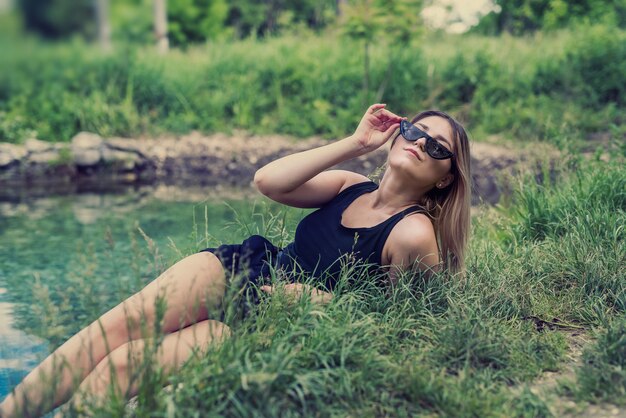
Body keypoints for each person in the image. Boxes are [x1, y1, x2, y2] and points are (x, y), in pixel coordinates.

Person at [0, 103, 470, 417]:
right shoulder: (351, 184)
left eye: (436, 147)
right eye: (414, 130)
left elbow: (405, 325)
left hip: (278, 320)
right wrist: (356, 142)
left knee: (124, 365)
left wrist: (322, 302)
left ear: (447, 177)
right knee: (114, 327)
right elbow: (269, 181)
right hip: (246, 269)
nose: (419, 142)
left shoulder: (412, 231)